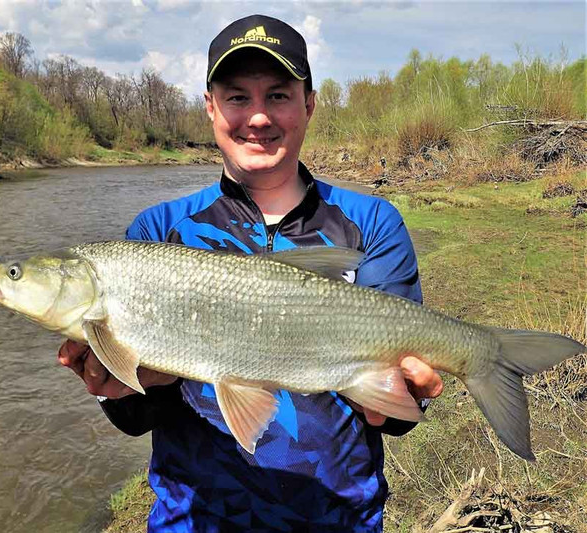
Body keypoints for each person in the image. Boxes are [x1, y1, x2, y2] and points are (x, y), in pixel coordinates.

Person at [59, 14, 443, 532]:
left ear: (309, 104)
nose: (258, 117)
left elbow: (396, 416)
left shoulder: (372, 223)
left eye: (278, 95)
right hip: (193, 519)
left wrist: (398, 404)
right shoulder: (158, 231)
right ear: (210, 107)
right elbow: (134, 421)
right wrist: (118, 386)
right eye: (238, 97)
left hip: (339, 518)